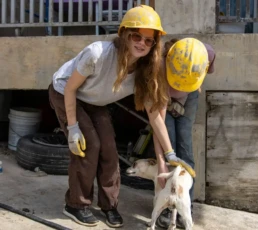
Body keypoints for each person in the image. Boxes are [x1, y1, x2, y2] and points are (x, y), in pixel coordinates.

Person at [48, 4, 183, 228]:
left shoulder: (145, 70)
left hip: (95, 101)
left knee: (109, 148)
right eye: (136, 36)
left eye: (149, 40)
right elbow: (71, 89)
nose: (142, 43)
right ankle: (76, 205)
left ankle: (109, 206)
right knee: (89, 144)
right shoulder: (98, 53)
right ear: (124, 35)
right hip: (65, 93)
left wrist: (170, 154)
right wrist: (72, 128)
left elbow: (155, 117)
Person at [156, 38, 216, 229]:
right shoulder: (159, 66)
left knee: (185, 145)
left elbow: (205, 72)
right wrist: (163, 156)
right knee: (170, 146)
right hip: (164, 97)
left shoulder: (207, 53)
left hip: (190, 95)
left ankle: (184, 207)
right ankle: (166, 206)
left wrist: (184, 97)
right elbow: (158, 123)